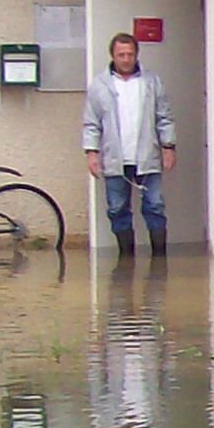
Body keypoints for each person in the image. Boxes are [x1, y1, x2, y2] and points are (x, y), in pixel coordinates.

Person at [80, 31, 177, 259]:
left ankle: (159, 258)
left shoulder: (151, 82)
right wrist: (91, 153)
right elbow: (91, 123)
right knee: (117, 208)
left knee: (154, 205)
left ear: (137, 55)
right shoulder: (100, 85)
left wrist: (168, 146)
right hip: (115, 157)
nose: (126, 59)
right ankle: (126, 259)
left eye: (130, 54)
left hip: (147, 154)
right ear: (112, 56)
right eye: (121, 54)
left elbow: (164, 116)